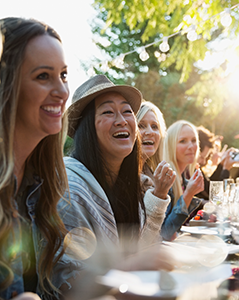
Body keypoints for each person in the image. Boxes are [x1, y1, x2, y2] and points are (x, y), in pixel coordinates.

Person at [0, 18, 68, 300]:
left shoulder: (41, 181)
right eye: (43, 76)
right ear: (3, 85)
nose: (62, 91)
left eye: (63, 75)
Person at [50, 75, 172, 297]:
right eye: (108, 112)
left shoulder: (129, 186)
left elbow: (143, 248)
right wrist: (132, 266)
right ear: (86, 128)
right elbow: (69, 287)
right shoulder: (70, 191)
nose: (122, 120)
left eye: (127, 111)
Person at [161, 120, 205, 241]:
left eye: (194, 140)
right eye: (182, 141)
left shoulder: (182, 180)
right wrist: (189, 195)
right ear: (170, 146)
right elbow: (164, 233)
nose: (191, 146)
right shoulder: (166, 179)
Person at [136, 101, 176, 204]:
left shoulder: (154, 177)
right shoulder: (121, 179)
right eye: (141, 125)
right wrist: (159, 194)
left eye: (154, 126)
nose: (150, 132)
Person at [196, 126, 238, 200]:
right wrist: (226, 169)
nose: (204, 161)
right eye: (201, 157)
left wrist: (222, 165)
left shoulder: (195, 169)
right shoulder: (188, 172)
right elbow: (214, 194)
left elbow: (209, 186)